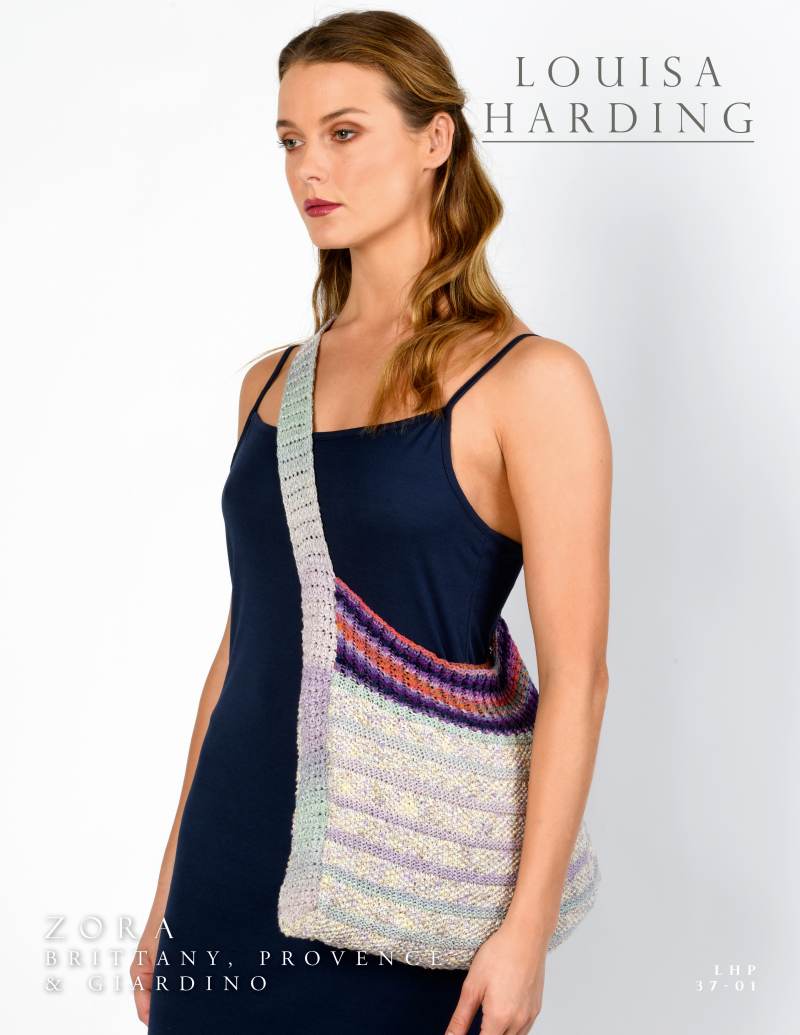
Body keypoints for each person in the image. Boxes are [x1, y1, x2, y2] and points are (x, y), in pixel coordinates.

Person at [131, 10, 611, 1035]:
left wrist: (524, 931)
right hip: (228, 870)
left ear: (435, 139)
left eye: (344, 132)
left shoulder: (530, 381)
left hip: (404, 891)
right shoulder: (271, 383)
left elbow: (578, 678)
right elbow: (244, 645)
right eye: (290, 140)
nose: (310, 167)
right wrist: (169, 885)